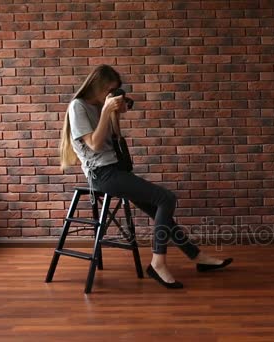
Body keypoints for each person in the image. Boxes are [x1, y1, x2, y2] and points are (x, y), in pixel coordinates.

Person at [59, 65, 232, 289]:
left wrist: (114, 115)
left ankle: (197, 256)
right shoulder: (78, 107)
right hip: (102, 175)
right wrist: (105, 111)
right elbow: (94, 144)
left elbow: (115, 142)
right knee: (166, 199)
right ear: (98, 85)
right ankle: (158, 263)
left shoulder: (101, 106)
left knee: (160, 210)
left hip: (117, 170)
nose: (111, 96)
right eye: (110, 90)